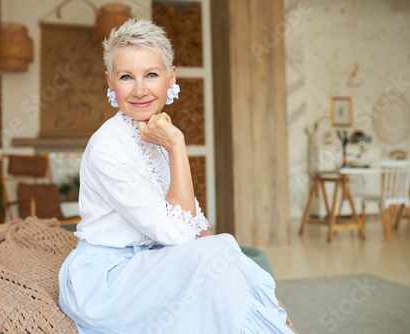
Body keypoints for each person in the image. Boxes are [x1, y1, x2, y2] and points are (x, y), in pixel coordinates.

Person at [58, 18, 296, 334]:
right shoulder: (108, 147)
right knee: (218, 258)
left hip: (150, 264)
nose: (140, 90)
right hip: (106, 283)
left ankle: (276, 322)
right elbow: (178, 235)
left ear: (171, 78)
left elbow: (196, 225)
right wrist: (177, 145)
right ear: (110, 81)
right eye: (126, 77)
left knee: (222, 254)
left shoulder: (156, 131)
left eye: (151, 75)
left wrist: (247, 286)